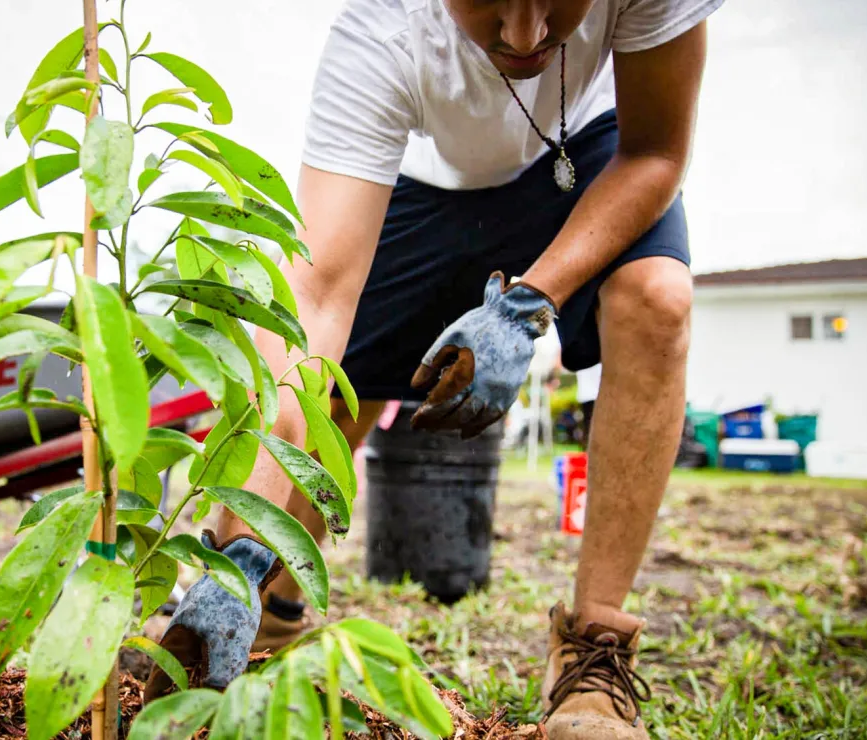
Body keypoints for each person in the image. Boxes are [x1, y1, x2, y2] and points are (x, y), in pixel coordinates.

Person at [147, 0, 718, 737]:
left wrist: (527, 304)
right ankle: (267, 599)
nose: (525, 36)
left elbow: (657, 154)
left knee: (658, 301)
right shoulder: (384, 32)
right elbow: (315, 300)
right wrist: (236, 549)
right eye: (492, 3)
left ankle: (594, 652)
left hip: (597, 158)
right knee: (341, 375)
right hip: (429, 186)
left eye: (557, 1)